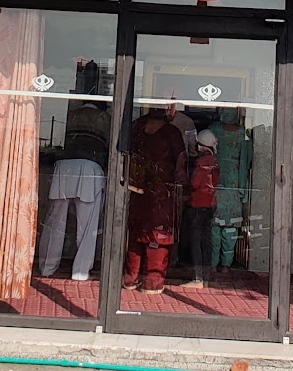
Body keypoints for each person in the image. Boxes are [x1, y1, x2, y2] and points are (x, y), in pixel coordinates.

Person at [38, 100, 109, 281]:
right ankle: (80, 272)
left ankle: (47, 267)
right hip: (89, 169)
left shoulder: (70, 115)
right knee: (87, 226)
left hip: (64, 166)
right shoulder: (105, 118)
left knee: (55, 222)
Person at [123, 105, 186, 294]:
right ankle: (152, 282)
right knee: (158, 237)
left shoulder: (135, 127)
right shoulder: (171, 133)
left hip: (136, 188)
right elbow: (181, 163)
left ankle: (130, 277)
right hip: (162, 192)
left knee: (135, 234)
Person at [208, 109, 251, 273]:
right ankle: (226, 264)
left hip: (216, 180)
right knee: (230, 227)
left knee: (215, 226)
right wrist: (243, 189)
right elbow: (246, 159)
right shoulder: (242, 132)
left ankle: (212, 263)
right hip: (235, 181)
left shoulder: (214, 129)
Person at [180, 129, 219, 288]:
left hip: (198, 203)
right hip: (210, 204)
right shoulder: (214, 161)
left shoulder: (201, 162)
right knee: (206, 241)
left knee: (195, 241)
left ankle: (197, 278)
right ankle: (207, 277)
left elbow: (195, 183)